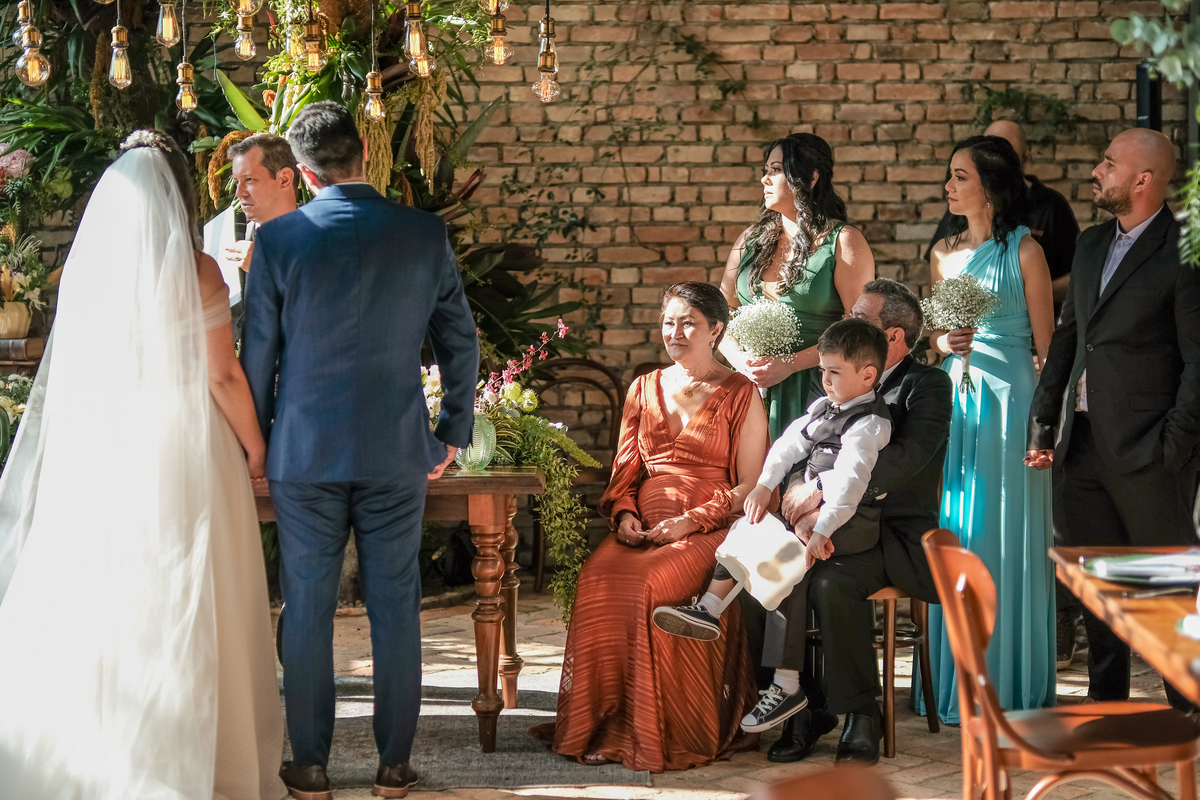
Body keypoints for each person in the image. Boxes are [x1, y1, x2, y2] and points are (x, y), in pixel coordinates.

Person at [0, 131, 286, 799]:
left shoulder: (87, 273)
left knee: (106, 592)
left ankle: (99, 747)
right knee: (191, 594)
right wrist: (256, 446)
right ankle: (199, 754)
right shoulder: (198, 271)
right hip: (187, 446)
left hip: (103, 446)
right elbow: (221, 375)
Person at [242, 102, 479, 800]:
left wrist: (256, 447)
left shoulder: (279, 240)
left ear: (304, 171)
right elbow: (459, 339)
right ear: (364, 155)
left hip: (303, 454)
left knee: (307, 606)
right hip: (396, 451)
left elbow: (258, 357)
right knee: (396, 604)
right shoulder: (423, 233)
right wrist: (452, 431)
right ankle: (394, 766)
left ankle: (310, 766)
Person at [538, 282, 768, 773]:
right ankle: (606, 720)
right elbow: (625, 471)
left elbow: (751, 485)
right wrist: (624, 516)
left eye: (689, 323)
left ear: (716, 330)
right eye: (669, 322)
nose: (675, 332)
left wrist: (691, 521)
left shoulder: (741, 391)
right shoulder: (642, 388)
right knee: (596, 580)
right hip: (643, 527)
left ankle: (667, 726)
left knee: (650, 584)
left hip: (709, 529)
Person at [1027, 128, 1200, 713]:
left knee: (1168, 588)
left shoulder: (1185, 252)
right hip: (1080, 448)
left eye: (1108, 163)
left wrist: (1172, 447)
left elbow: (1198, 362)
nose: (1097, 171)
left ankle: (1187, 711)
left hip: (1150, 453)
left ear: (1143, 180)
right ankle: (1107, 706)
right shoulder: (1091, 243)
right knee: (1097, 584)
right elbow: (1070, 338)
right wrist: (1043, 424)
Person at [653, 318, 891, 735]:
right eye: (823, 370)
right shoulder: (823, 407)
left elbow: (849, 484)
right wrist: (764, 486)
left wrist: (822, 530)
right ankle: (709, 608)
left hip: (848, 520)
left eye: (834, 372)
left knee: (787, 565)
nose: (825, 379)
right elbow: (787, 446)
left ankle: (786, 684)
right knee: (749, 528)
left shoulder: (870, 424)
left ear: (868, 375)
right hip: (811, 514)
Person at [768, 279, 952, 765]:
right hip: (826, 524)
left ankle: (861, 713)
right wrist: (799, 498)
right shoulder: (834, 377)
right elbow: (803, 450)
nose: (846, 323)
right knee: (775, 574)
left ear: (892, 336)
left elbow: (907, 460)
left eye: (859, 317)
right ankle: (803, 706)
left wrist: (823, 491)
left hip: (892, 531)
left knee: (831, 584)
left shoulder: (929, 385)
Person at [922, 135, 1057, 724]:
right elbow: (933, 337)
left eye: (960, 176)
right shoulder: (943, 254)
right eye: (949, 176)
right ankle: (956, 679)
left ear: (991, 186)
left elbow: (1048, 350)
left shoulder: (1027, 251)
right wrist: (942, 340)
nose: (948, 187)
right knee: (960, 528)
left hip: (1012, 402)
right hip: (958, 399)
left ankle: (1010, 683)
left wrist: (1044, 427)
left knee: (1010, 533)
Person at [719, 132, 874, 439]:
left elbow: (860, 326)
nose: (764, 179)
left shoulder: (844, 241)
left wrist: (790, 364)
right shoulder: (749, 239)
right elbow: (720, 311)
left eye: (776, 170)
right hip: (747, 385)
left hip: (813, 386)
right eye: (766, 170)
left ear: (811, 178)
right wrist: (740, 360)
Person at [925, 121, 1079, 309]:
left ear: (1025, 157)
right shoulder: (961, 207)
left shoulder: (1050, 207)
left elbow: (1077, 276)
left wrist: (1027, 293)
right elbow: (937, 282)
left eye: (1004, 150)